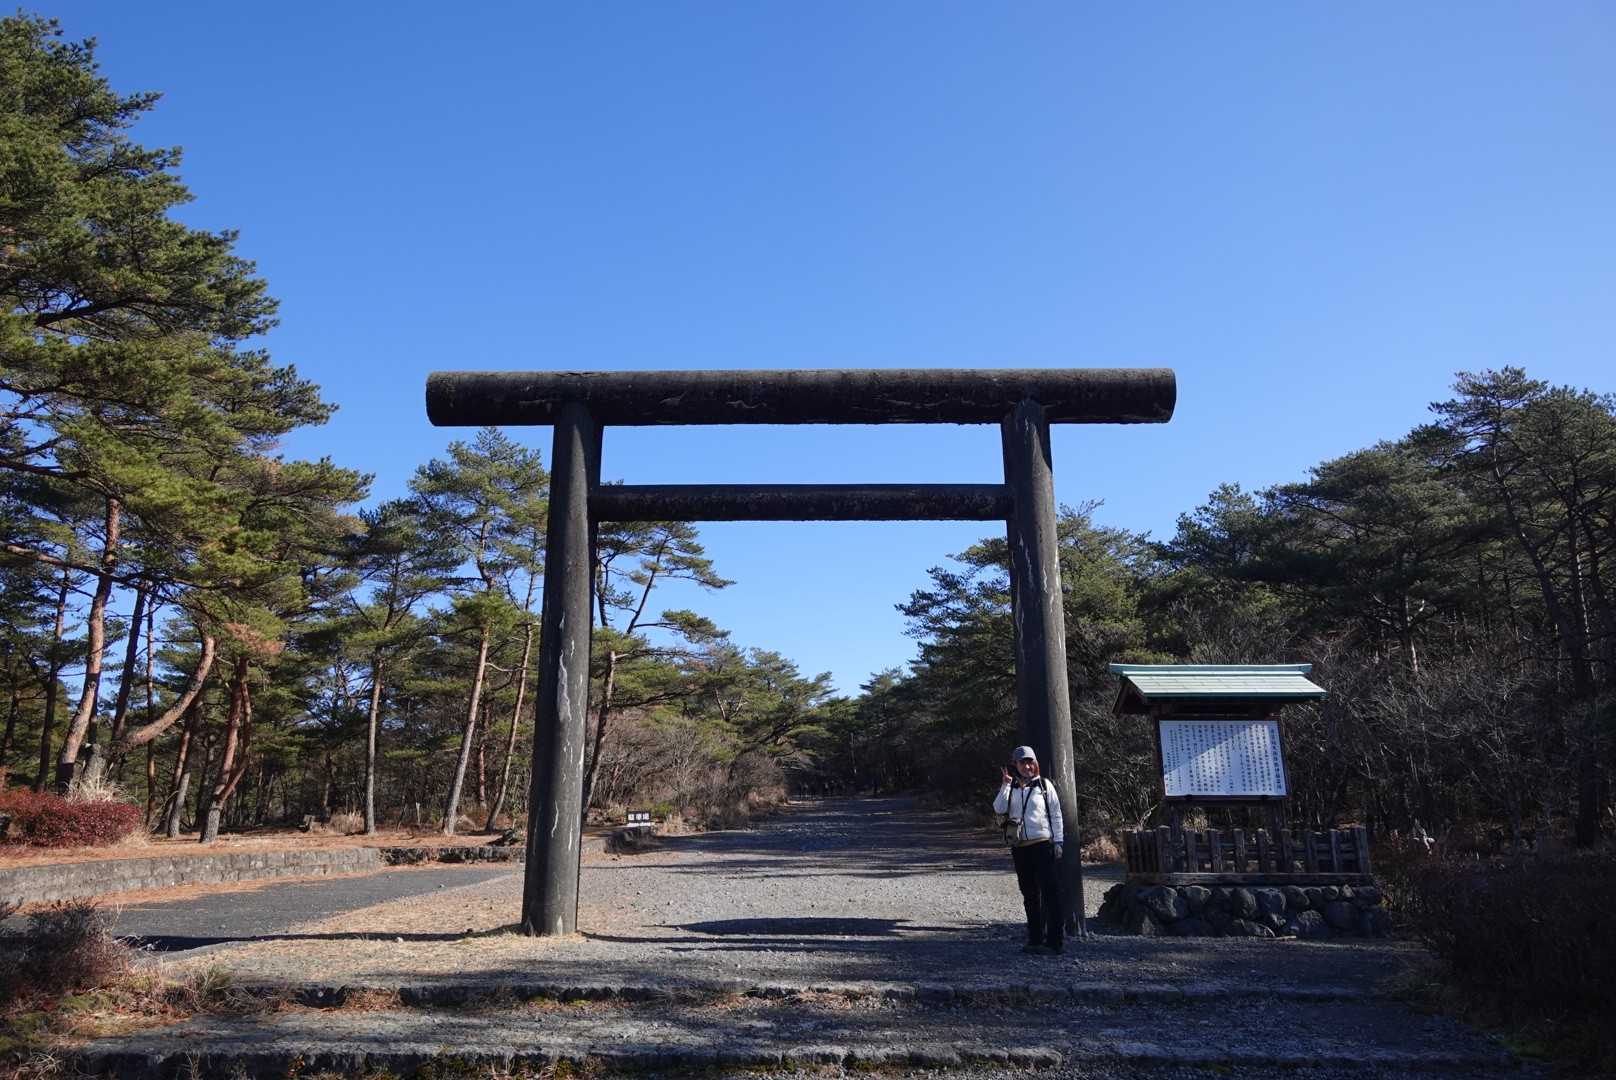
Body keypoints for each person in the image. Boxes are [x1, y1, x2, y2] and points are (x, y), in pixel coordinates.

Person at [993, 744, 1064, 954]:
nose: (1027, 766)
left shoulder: (1044, 785)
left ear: (1035, 764)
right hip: (1020, 847)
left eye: (1030, 762)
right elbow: (999, 808)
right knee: (1029, 894)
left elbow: (1056, 814)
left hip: (1043, 844)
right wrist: (1005, 786)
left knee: (1050, 893)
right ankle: (1035, 939)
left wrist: (1058, 842)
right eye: (1022, 763)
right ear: (1015, 765)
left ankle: (1055, 941)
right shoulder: (1012, 787)